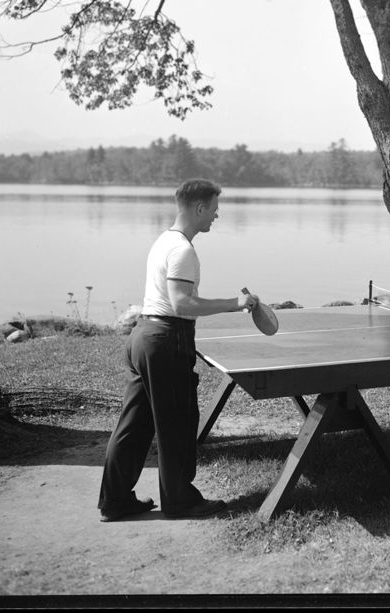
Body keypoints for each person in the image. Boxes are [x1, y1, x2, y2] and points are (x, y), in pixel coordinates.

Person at [98, 179, 261, 522]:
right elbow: (182, 304)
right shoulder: (183, 250)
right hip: (166, 341)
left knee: (134, 424)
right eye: (214, 209)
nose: (216, 215)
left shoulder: (164, 241)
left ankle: (115, 500)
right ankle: (180, 501)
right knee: (178, 423)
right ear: (199, 208)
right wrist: (235, 303)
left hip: (143, 337)